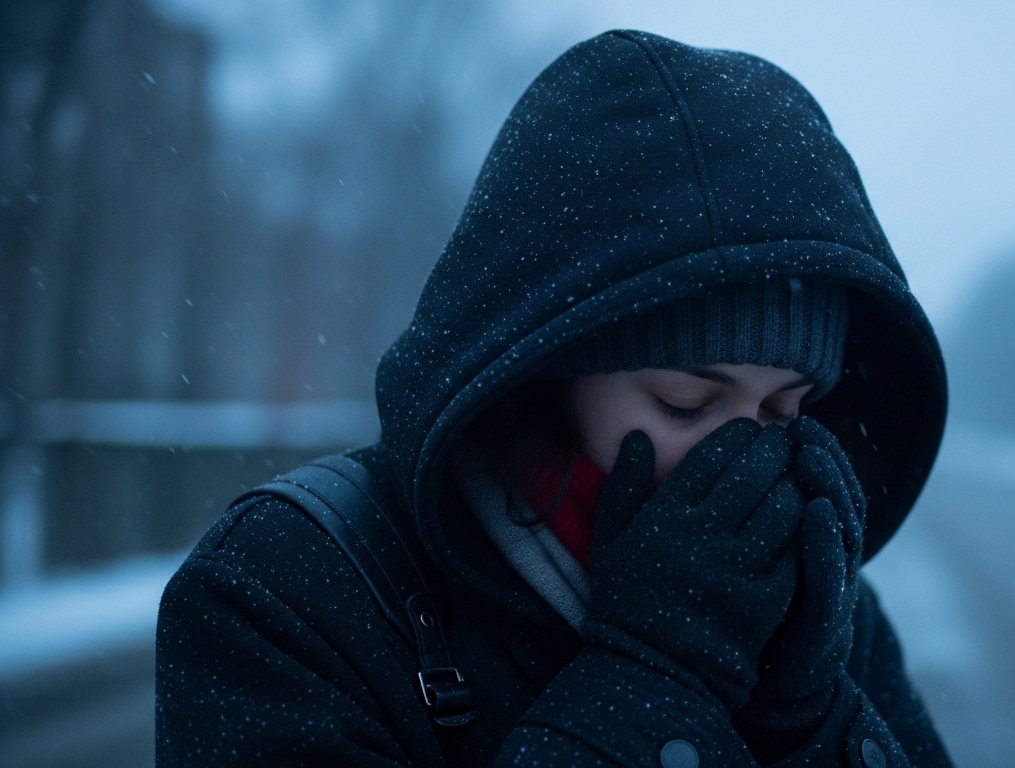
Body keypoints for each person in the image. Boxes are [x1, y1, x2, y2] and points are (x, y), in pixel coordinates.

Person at [156, 29, 950, 767]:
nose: (746, 459)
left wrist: (808, 720)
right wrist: (652, 679)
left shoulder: (815, 607)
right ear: (548, 374)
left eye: (783, 411)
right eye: (684, 402)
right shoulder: (289, 593)